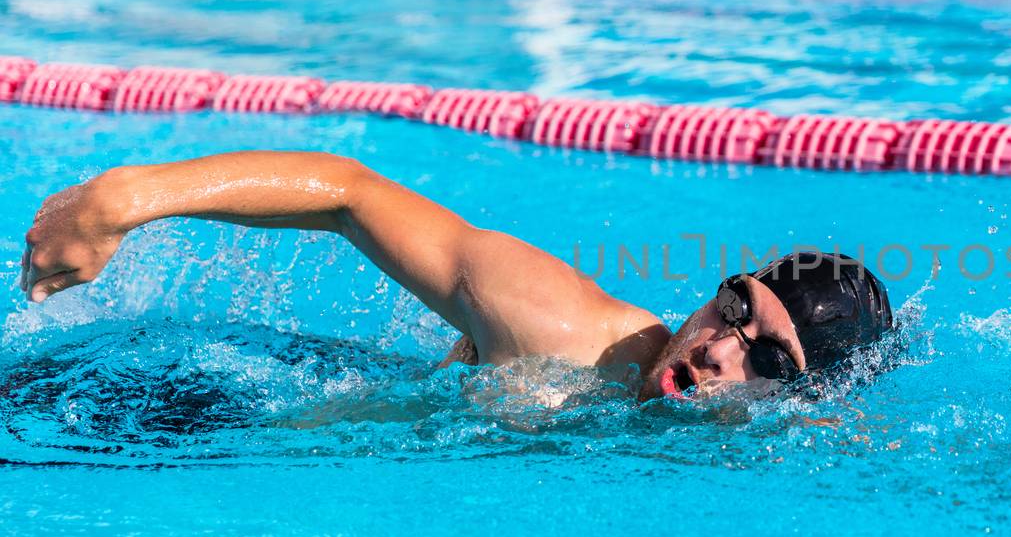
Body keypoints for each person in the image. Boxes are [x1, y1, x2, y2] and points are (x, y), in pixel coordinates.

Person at [17, 151, 894, 401]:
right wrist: (129, 198)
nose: (716, 348)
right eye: (735, 305)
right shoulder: (565, 330)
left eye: (768, 359)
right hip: (209, 408)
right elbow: (352, 196)